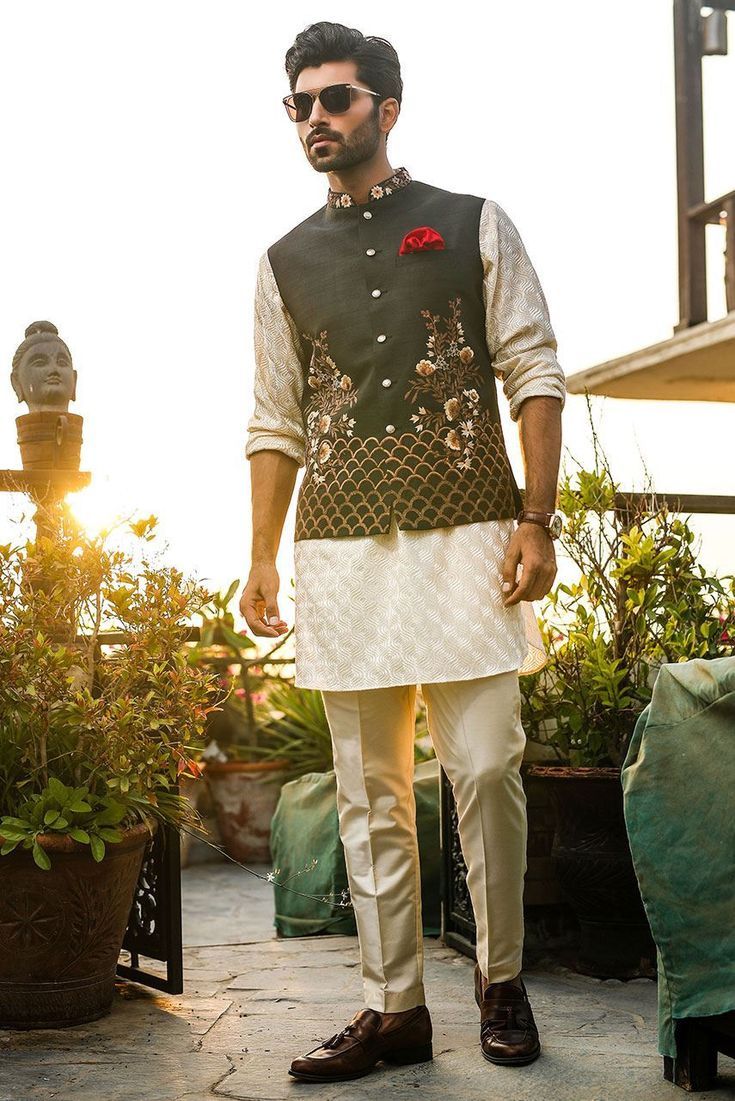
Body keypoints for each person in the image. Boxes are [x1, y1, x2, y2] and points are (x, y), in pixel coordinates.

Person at [241, 20, 565, 1083]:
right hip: (340, 551)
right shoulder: (283, 261)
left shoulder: (473, 223)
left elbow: (534, 373)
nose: (316, 119)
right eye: (301, 104)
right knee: (367, 789)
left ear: (387, 106)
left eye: (335, 99)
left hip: (473, 535)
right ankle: (394, 1010)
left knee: (485, 767)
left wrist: (537, 520)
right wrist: (259, 557)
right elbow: (274, 422)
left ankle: (501, 979)